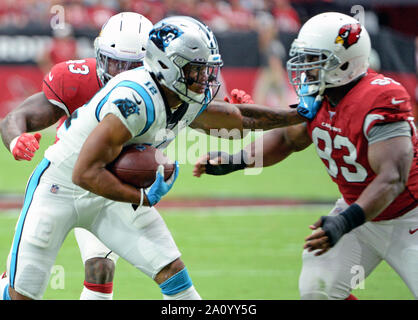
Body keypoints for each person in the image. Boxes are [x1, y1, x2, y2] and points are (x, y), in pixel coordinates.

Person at [0, 15, 321, 300]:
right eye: (197, 70)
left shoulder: (178, 90)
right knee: (22, 294)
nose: (204, 78)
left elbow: (241, 119)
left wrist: (298, 114)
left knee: (173, 275)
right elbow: (83, 173)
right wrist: (139, 195)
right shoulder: (134, 100)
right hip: (61, 188)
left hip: (110, 193)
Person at [194, 12, 418, 300]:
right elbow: (288, 139)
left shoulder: (380, 97)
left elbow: (393, 177)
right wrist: (236, 160)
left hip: (408, 217)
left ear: (345, 62)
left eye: (315, 59)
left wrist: (344, 221)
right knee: (316, 290)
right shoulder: (322, 96)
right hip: (359, 213)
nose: (305, 68)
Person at [0, 12, 154, 300]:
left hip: (106, 188)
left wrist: (238, 119)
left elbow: (198, 115)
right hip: (60, 183)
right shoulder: (77, 78)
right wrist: (16, 139)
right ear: (99, 55)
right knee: (21, 286)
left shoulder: (159, 91)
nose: (122, 75)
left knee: (101, 268)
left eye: (132, 67)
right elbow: (17, 116)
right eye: (115, 62)